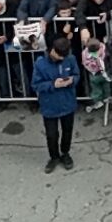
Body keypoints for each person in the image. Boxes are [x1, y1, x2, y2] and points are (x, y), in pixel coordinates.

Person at [32, 25, 82, 172]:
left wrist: (71, 80)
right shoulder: (40, 63)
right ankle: (53, 156)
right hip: (49, 105)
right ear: (52, 50)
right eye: (59, 56)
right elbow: (35, 85)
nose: (61, 59)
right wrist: (52, 84)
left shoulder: (70, 59)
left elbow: (77, 75)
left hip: (67, 102)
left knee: (68, 131)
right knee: (51, 134)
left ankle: (65, 153)